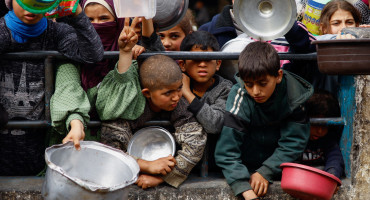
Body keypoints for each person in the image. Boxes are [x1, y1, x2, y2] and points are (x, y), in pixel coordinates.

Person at [0, 0, 103, 175]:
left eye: (38, 1)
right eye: (25, 1)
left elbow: (92, 55)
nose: (30, 8)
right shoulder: (2, 31)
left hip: (38, 145)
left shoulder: (55, 32)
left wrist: (76, 12)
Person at [215, 41, 313, 199]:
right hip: (244, 166)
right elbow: (227, 150)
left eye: (263, 83)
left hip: (281, 169)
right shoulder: (239, 94)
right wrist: (242, 186)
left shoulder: (293, 94)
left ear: (279, 76)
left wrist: (266, 171)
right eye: (249, 84)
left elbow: (293, 143)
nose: (255, 91)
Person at [100, 52, 206, 189]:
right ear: (147, 93)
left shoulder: (181, 105)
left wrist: (161, 177)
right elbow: (111, 153)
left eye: (179, 88)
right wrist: (145, 165)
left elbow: (196, 143)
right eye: (167, 93)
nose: (176, 97)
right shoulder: (128, 106)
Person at [179, 31, 232, 172]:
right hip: (180, 158)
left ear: (218, 64)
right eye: (195, 59)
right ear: (182, 64)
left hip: (215, 165)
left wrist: (188, 94)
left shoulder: (225, 88)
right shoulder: (174, 84)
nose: (202, 64)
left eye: (208, 59)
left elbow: (214, 124)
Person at [298, 89, 345, 180]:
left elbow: (334, 158)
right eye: (315, 124)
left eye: (324, 125)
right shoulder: (296, 137)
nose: (319, 131)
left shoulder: (328, 139)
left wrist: (332, 175)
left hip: (320, 178)